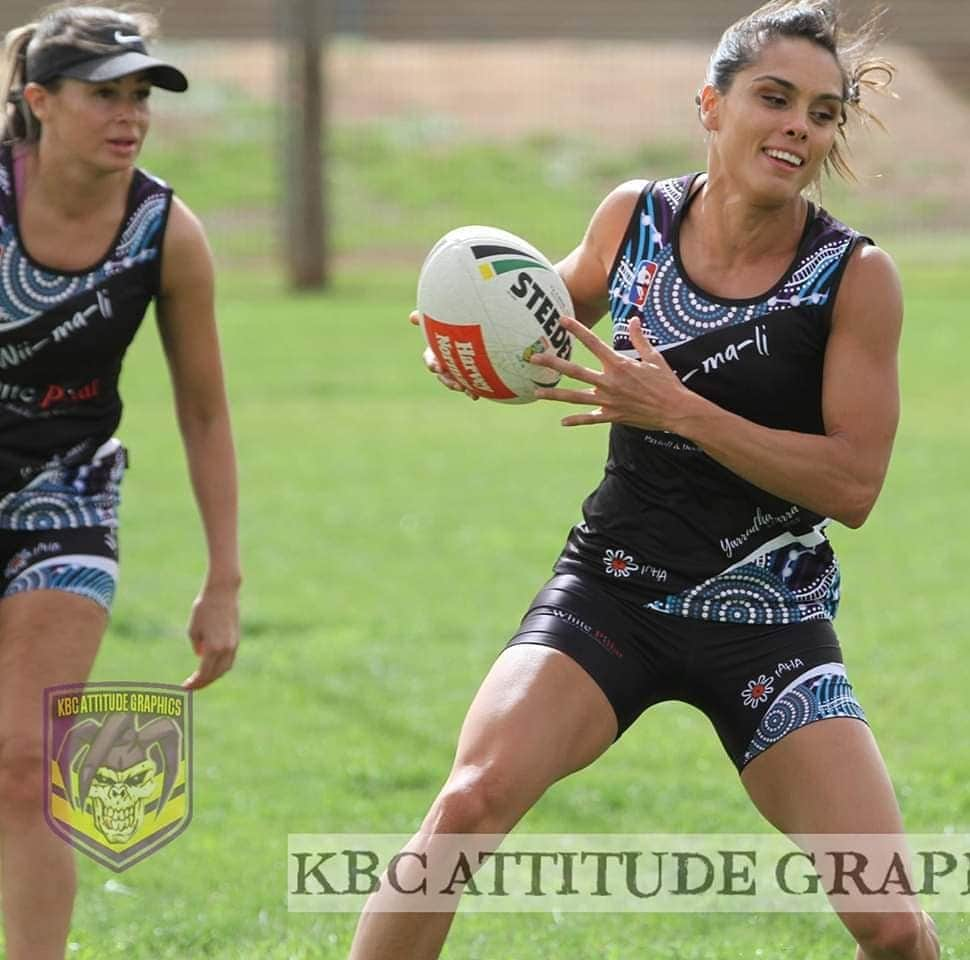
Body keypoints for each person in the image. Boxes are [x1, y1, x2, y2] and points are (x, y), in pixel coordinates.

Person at [349, 1, 942, 958]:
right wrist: (478, 349)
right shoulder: (633, 219)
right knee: (465, 806)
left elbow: (854, 484)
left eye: (823, 112)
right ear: (711, 104)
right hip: (612, 595)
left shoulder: (854, 277)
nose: (799, 125)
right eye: (775, 97)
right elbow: (546, 318)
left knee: (889, 922)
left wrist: (679, 410)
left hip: (769, 622)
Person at [0, 6, 239, 959]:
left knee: (25, 762)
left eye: (140, 96)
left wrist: (223, 578)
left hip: (67, 497)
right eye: (105, 94)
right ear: (39, 102)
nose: (130, 115)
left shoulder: (165, 230)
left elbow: (206, 412)